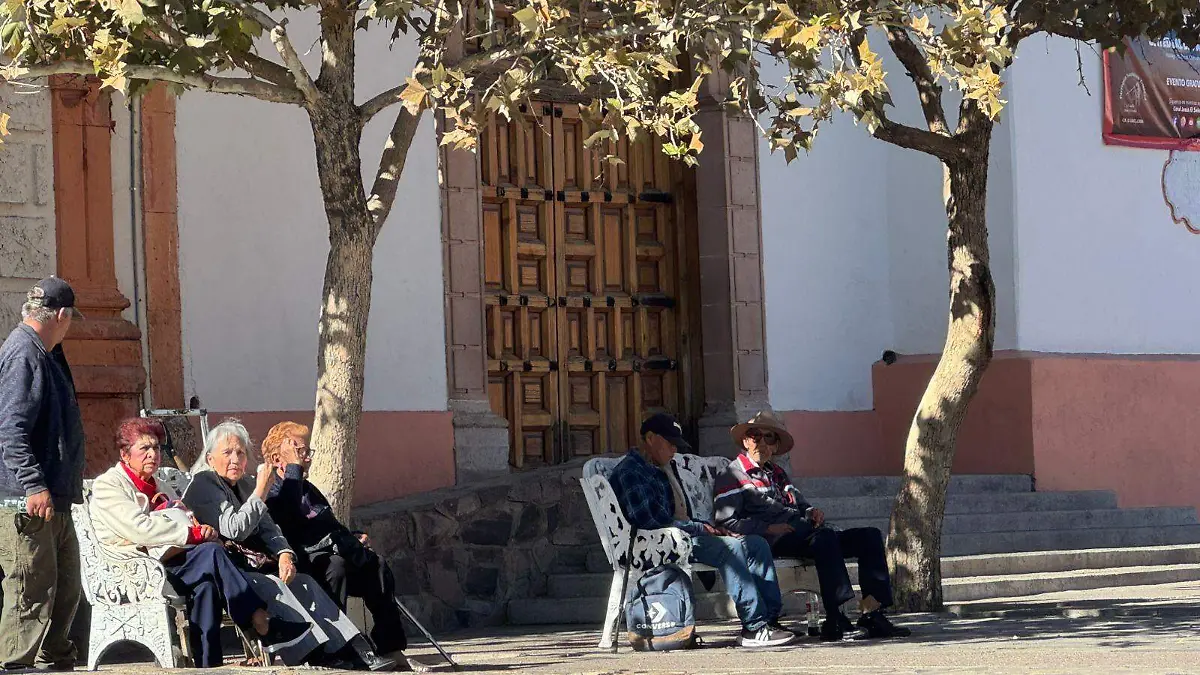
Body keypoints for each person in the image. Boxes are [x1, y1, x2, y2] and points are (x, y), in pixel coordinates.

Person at [89, 418, 309, 667]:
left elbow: (184, 518)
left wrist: (200, 529)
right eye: (144, 448)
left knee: (206, 585)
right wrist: (191, 534)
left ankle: (208, 665)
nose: (153, 454)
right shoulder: (110, 485)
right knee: (212, 553)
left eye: (156, 448)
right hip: (134, 568)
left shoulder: (160, 484)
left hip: (172, 559)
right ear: (125, 454)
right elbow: (140, 529)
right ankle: (260, 620)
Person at [182, 420, 397, 671]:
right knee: (277, 586)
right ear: (210, 459)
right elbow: (235, 529)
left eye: (240, 453)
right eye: (227, 452)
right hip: (229, 573)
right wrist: (260, 491)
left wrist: (284, 553)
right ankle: (315, 655)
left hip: (255, 563)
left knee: (305, 583)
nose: (235, 459)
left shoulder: (246, 484)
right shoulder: (203, 484)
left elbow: (269, 528)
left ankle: (353, 650)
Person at [713, 411, 910, 640]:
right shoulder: (732, 474)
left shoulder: (777, 473)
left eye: (769, 437)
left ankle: (872, 613)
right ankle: (836, 617)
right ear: (746, 440)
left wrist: (811, 512)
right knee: (824, 539)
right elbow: (726, 521)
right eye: (756, 436)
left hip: (804, 533)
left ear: (775, 446)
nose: (762, 443)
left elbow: (799, 504)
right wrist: (768, 529)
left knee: (869, 537)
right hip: (773, 540)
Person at [608, 413, 797, 648]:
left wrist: (711, 529)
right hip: (657, 543)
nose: (674, 450)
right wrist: (699, 528)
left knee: (756, 543)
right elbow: (651, 522)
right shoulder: (632, 472)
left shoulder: (659, 467)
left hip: (681, 535)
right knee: (730, 548)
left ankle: (770, 620)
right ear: (650, 438)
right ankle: (754, 626)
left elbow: (678, 515)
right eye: (670, 444)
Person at [260, 422, 408, 662]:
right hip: (299, 564)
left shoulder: (308, 489)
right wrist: (293, 469)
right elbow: (287, 520)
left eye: (307, 452)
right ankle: (337, 649)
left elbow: (328, 523)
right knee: (335, 566)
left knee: (376, 565)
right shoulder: (271, 489)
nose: (307, 458)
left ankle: (391, 648)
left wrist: (352, 537)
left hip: (328, 557)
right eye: (300, 451)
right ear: (278, 458)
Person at [0, 277, 87, 671]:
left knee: (66, 588)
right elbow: (10, 429)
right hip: (28, 500)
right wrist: (33, 484)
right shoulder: (24, 354)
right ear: (62, 315)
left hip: (54, 498)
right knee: (29, 589)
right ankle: (14, 664)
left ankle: (54, 657)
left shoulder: (46, 352)